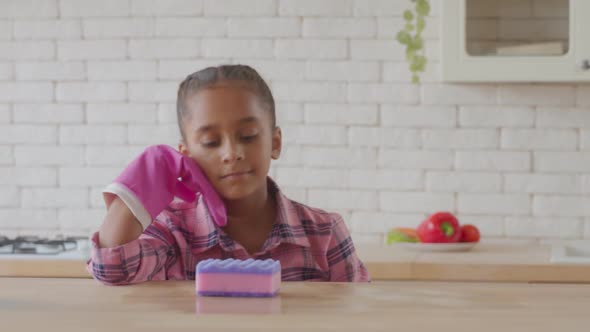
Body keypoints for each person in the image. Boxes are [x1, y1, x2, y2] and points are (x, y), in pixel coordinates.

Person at [87, 65, 370, 284]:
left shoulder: (324, 233)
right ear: (185, 155)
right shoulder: (171, 232)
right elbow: (113, 271)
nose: (231, 152)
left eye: (247, 136)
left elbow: (358, 315)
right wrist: (134, 192)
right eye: (211, 142)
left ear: (275, 143)